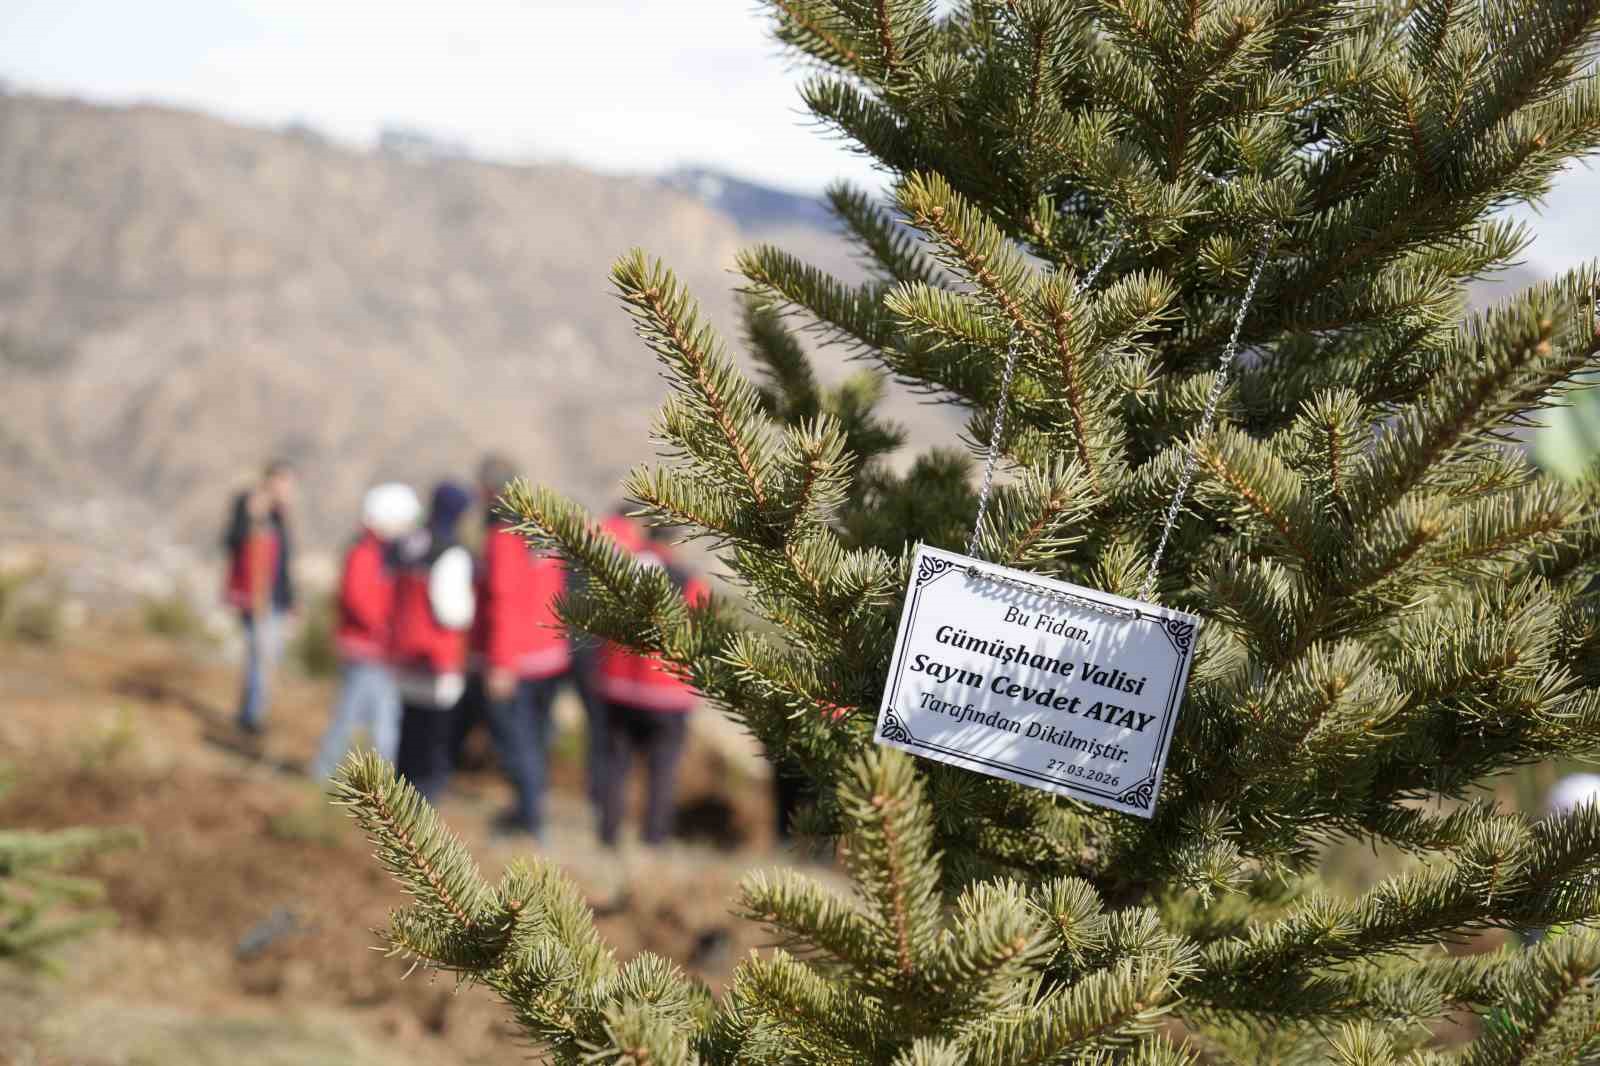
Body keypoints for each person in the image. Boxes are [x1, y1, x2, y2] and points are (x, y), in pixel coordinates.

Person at [461, 454, 570, 839]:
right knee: (536, 737)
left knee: (516, 738)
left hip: (519, 660)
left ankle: (530, 818)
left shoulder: (502, 536)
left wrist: (501, 663)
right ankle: (531, 809)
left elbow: (503, 601)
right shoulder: (540, 528)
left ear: (490, 491)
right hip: (549, 655)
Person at [593, 517, 708, 849]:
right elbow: (701, 637)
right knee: (662, 772)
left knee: (615, 764)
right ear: (676, 542)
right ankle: (654, 839)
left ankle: (608, 834)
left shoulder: (621, 573)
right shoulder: (689, 582)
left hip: (619, 687)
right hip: (668, 695)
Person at [309, 483, 422, 781]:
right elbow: (358, 598)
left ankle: (377, 784)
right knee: (355, 717)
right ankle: (326, 774)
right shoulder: (365, 553)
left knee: (380, 718)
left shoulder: (384, 554)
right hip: (366, 651)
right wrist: (386, 627)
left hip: (380, 652)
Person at [391, 482, 476, 804]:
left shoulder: (413, 542)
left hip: (407, 655)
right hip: (437, 662)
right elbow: (454, 612)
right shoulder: (452, 553)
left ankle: (400, 801)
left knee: (408, 736)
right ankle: (422, 805)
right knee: (433, 742)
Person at [223, 460, 297, 735]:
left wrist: (290, 600)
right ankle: (251, 717)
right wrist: (253, 518)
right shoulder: (249, 506)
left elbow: (284, 562)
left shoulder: (280, 515)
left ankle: (251, 712)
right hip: (255, 597)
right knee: (260, 655)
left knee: (266, 657)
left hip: (276, 599)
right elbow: (232, 542)